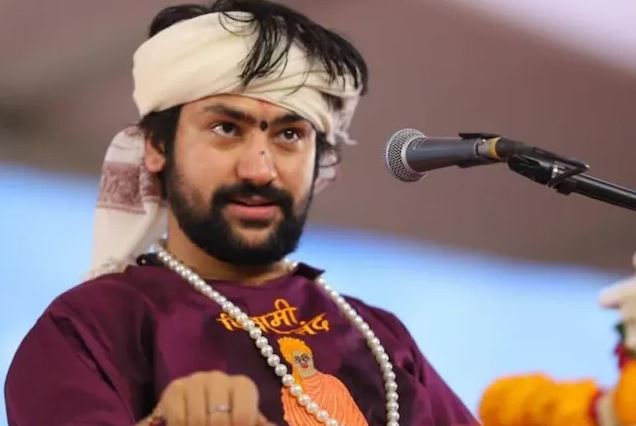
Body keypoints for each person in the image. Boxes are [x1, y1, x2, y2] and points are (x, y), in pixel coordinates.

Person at [4, 1, 478, 425]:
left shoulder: (378, 335)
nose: (258, 170)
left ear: (320, 160)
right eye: (226, 128)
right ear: (156, 147)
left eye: (290, 135)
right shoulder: (90, 329)